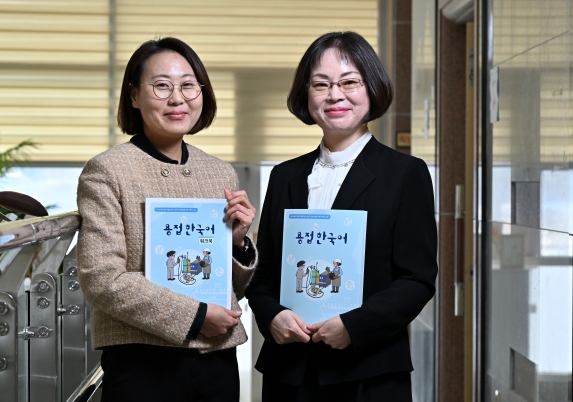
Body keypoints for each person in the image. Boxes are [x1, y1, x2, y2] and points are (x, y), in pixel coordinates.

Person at [245, 31, 438, 401]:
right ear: (306, 95)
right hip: (290, 371)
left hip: (369, 371)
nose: (335, 95)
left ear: (372, 88)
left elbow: (417, 279)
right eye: (321, 84)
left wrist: (352, 326)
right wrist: (272, 317)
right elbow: (263, 272)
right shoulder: (285, 176)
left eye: (349, 82)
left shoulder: (405, 173)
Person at [77, 37, 258, 402]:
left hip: (216, 359)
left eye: (188, 85)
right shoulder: (108, 170)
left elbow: (228, 287)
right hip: (142, 360)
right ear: (133, 96)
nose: (178, 98)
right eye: (161, 85)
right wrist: (197, 315)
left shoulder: (219, 172)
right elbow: (101, 278)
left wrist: (237, 243)